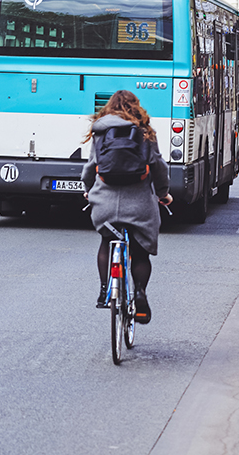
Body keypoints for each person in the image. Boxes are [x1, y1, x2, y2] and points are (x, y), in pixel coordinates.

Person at [81, 90, 172, 324]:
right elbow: (158, 166)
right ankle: (140, 292)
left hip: (105, 203)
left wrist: (88, 189)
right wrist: (163, 193)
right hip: (139, 204)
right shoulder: (145, 132)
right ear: (136, 107)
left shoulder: (100, 131)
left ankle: (105, 290)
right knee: (140, 252)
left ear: (109, 107)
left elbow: (91, 167)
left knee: (105, 240)